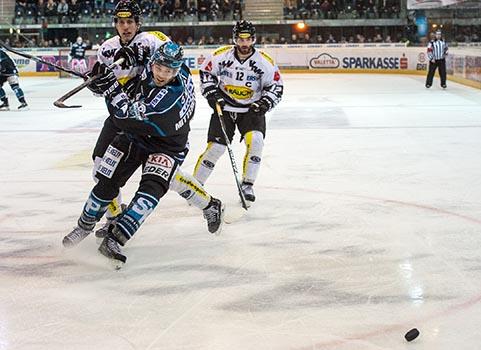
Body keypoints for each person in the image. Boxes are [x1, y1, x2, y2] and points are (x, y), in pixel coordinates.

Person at [62, 42, 224, 266]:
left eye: (168, 72)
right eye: (159, 68)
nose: (161, 74)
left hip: (165, 143)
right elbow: (146, 53)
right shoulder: (163, 63)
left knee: (150, 191)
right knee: (106, 180)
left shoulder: (168, 99)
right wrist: (131, 53)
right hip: (136, 134)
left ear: (176, 71)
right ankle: (84, 225)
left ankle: (117, 238)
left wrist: (109, 88)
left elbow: (124, 114)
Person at [193, 20, 284, 206]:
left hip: (251, 109)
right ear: (234, 38)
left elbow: (275, 86)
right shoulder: (220, 55)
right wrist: (212, 93)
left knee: (256, 141)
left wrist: (265, 102)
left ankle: (248, 184)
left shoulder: (264, 61)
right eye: (240, 39)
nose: (244, 43)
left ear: (253, 39)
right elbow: (206, 74)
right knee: (216, 148)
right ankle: (195, 185)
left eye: (248, 39)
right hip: (224, 108)